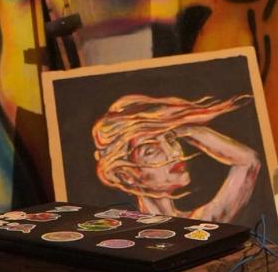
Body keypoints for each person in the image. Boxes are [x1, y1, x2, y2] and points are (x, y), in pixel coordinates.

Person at [91, 93, 261, 223]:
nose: (173, 153)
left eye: (171, 140)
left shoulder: (199, 224)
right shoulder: (131, 233)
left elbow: (249, 161)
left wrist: (189, 130)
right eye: (150, 151)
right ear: (126, 175)